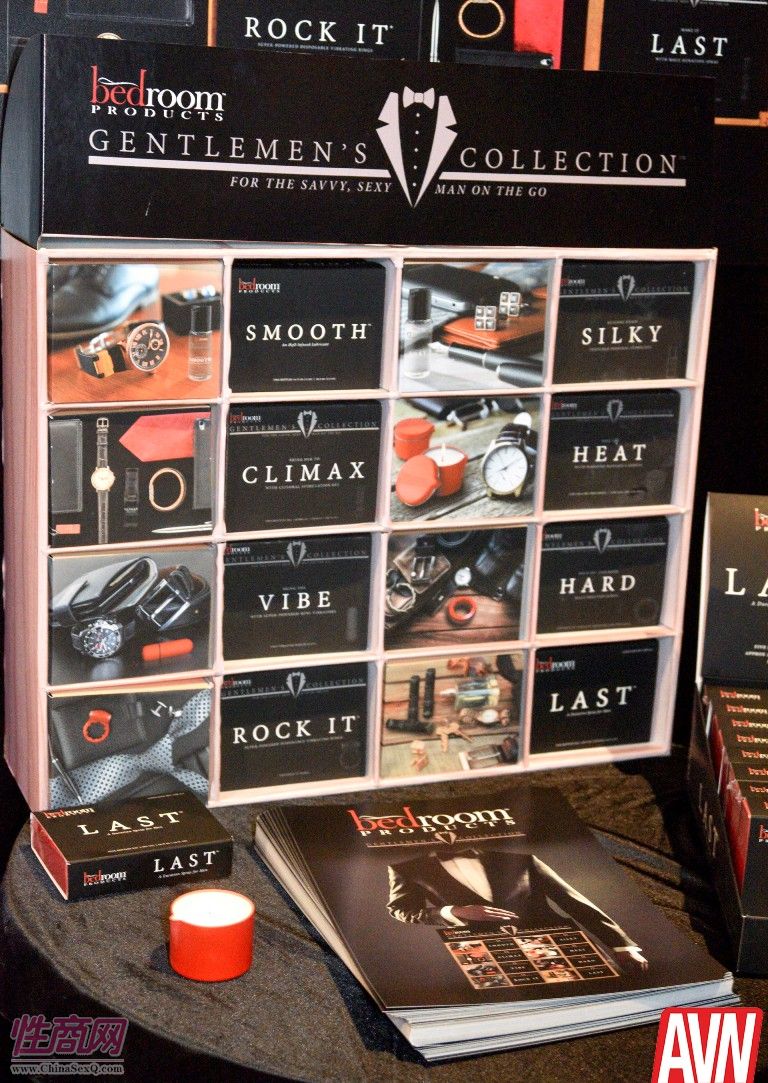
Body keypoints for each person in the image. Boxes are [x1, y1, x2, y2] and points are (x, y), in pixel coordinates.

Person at [386, 846, 648, 971]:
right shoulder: (406, 869)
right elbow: (401, 909)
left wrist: (621, 945)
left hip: (558, 944)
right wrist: (453, 912)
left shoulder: (523, 860)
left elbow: (573, 901)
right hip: (485, 956)